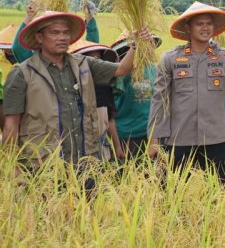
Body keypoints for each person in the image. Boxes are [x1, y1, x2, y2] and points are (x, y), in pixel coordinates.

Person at [2, 11, 143, 169]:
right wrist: (11, 169)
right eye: (55, 33)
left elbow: (122, 69)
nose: (62, 37)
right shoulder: (22, 73)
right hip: (43, 166)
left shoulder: (84, 64)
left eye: (66, 32)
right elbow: (11, 126)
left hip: (85, 162)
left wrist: (136, 45)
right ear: (39, 37)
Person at [148, 2, 225, 183]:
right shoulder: (171, 58)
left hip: (215, 139)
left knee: (217, 194)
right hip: (179, 139)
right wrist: (153, 139)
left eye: (209, 23)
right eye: (199, 24)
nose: (205, 28)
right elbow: (159, 101)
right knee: (173, 195)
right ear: (188, 28)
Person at [68, 39, 123, 161]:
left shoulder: (103, 88)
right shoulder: (70, 89)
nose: (96, 61)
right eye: (92, 58)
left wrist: (117, 146)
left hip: (100, 148)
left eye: (98, 58)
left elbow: (109, 119)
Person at [111, 33, 162, 159]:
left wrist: (155, 139)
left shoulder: (155, 70)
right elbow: (109, 112)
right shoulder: (119, 73)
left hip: (151, 135)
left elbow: (161, 105)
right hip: (126, 136)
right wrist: (116, 145)